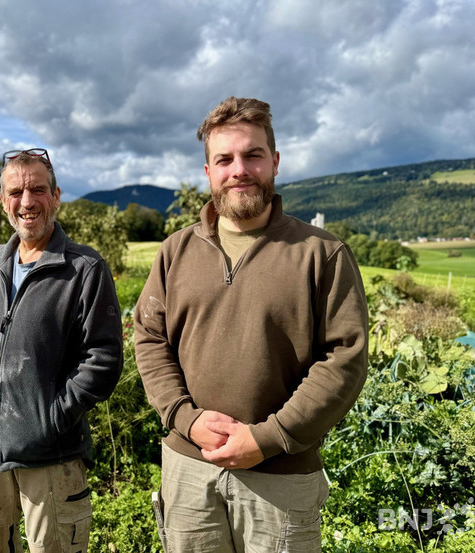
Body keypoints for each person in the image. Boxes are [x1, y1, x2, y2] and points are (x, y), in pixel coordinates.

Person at [134, 97, 368, 552]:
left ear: (275, 162)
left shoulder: (321, 253)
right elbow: (149, 339)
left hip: (279, 480)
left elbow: (345, 359)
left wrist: (268, 437)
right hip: (188, 469)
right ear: (208, 172)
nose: (239, 169)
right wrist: (186, 418)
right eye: (224, 159)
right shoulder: (175, 252)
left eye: (252, 155)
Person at [0, 148, 123, 553]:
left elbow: (103, 358)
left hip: (50, 457)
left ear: (57, 195)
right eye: (16, 192)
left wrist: (50, 418)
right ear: (3, 201)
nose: (27, 202)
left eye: (38, 190)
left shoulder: (83, 268)